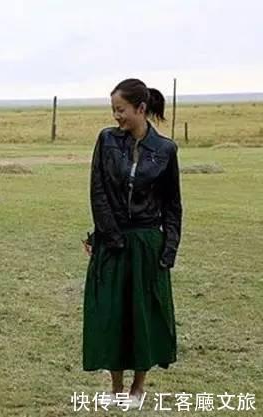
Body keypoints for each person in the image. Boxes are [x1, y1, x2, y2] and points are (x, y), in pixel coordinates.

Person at [82, 78, 182, 407]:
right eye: (113, 110)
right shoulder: (107, 140)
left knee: (143, 314)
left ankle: (138, 388)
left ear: (141, 109)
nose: (116, 117)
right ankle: (114, 388)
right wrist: (105, 237)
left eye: (121, 110)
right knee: (111, 312)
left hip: (147, 243)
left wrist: (168, 250)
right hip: (113, 240)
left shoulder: (166, 150)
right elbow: (98, 191)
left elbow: (172, 205)